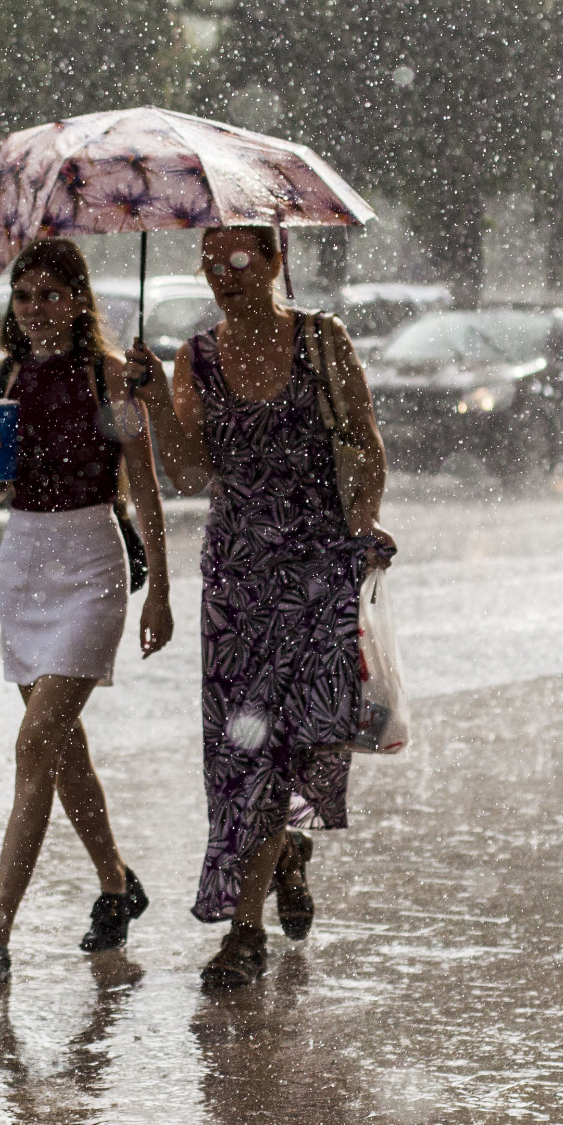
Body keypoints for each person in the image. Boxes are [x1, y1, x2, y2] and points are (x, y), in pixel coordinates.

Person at [134, 223, 393, 991]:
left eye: (241, 260)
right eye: (210, 264)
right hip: (239, 583)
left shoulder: (322, 340)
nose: (224, 275)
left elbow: (365, 441)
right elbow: (187, 472)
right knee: (242, 754)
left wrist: (362, 523)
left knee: (289, 745)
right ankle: (256, 908)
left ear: (278, 260)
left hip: (316, 575)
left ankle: (259, 898)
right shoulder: (196, 357)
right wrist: (152, 403)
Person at [0, 240, 175, 994]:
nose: (36, 307)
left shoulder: (110, 377)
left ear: (80, 301)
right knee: (62, 752)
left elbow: (145, 490)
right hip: (24, 564)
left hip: (89, 565)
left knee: (35, 742)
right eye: (24, 295)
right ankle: (117, 884)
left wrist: (163, 591)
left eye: (51, 293)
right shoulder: (2, 379)